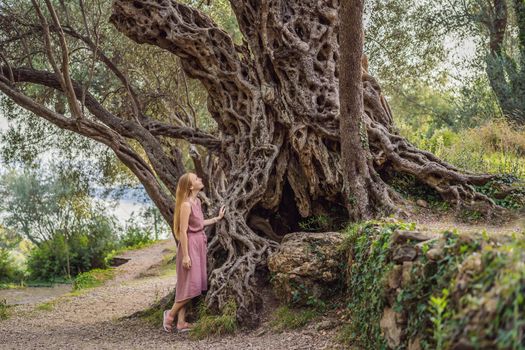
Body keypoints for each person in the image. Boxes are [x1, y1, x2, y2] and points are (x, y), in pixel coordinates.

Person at [163, 172, 225, 333]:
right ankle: (170, 315)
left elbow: (199, 223)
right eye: (196, 179)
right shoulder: (185, 205)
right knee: (192, 285)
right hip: (189, 246)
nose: (200, 179)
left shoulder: (196, 201)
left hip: (199, 244)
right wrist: (185, 255)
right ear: (191, 186)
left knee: (186, 286)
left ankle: (181, 323)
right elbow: (183, 231)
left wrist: (217, 218)